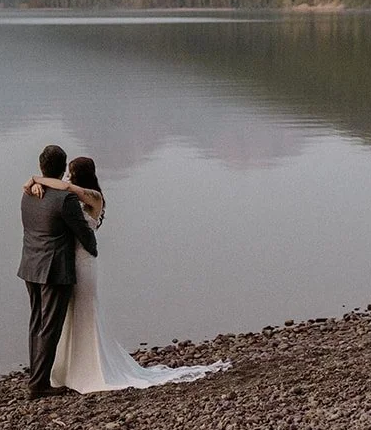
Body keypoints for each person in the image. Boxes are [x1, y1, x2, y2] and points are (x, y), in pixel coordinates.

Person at [24, 155, 228, 392]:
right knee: (68, 315)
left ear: (80, 176)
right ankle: (68, 367)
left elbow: (66, 188)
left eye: (72, 173)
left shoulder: (93, 197)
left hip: (83, 262)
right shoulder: (71, 197)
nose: (68, 177)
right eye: (67, 172)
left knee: (84, 311)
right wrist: (35, 184)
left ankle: (89, 367)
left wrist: (36, 179)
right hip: (67, 262)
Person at [17, 144, 98, 400]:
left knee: (36, 323)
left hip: (30, 264)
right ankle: (39, 384)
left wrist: (33, 181)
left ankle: (37, 376)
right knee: (50, 326)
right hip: (55, 268)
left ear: (42, 167)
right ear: (63, 169)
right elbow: (82, 232)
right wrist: (93, 249)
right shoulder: (65, 199)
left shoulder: (29, 194)